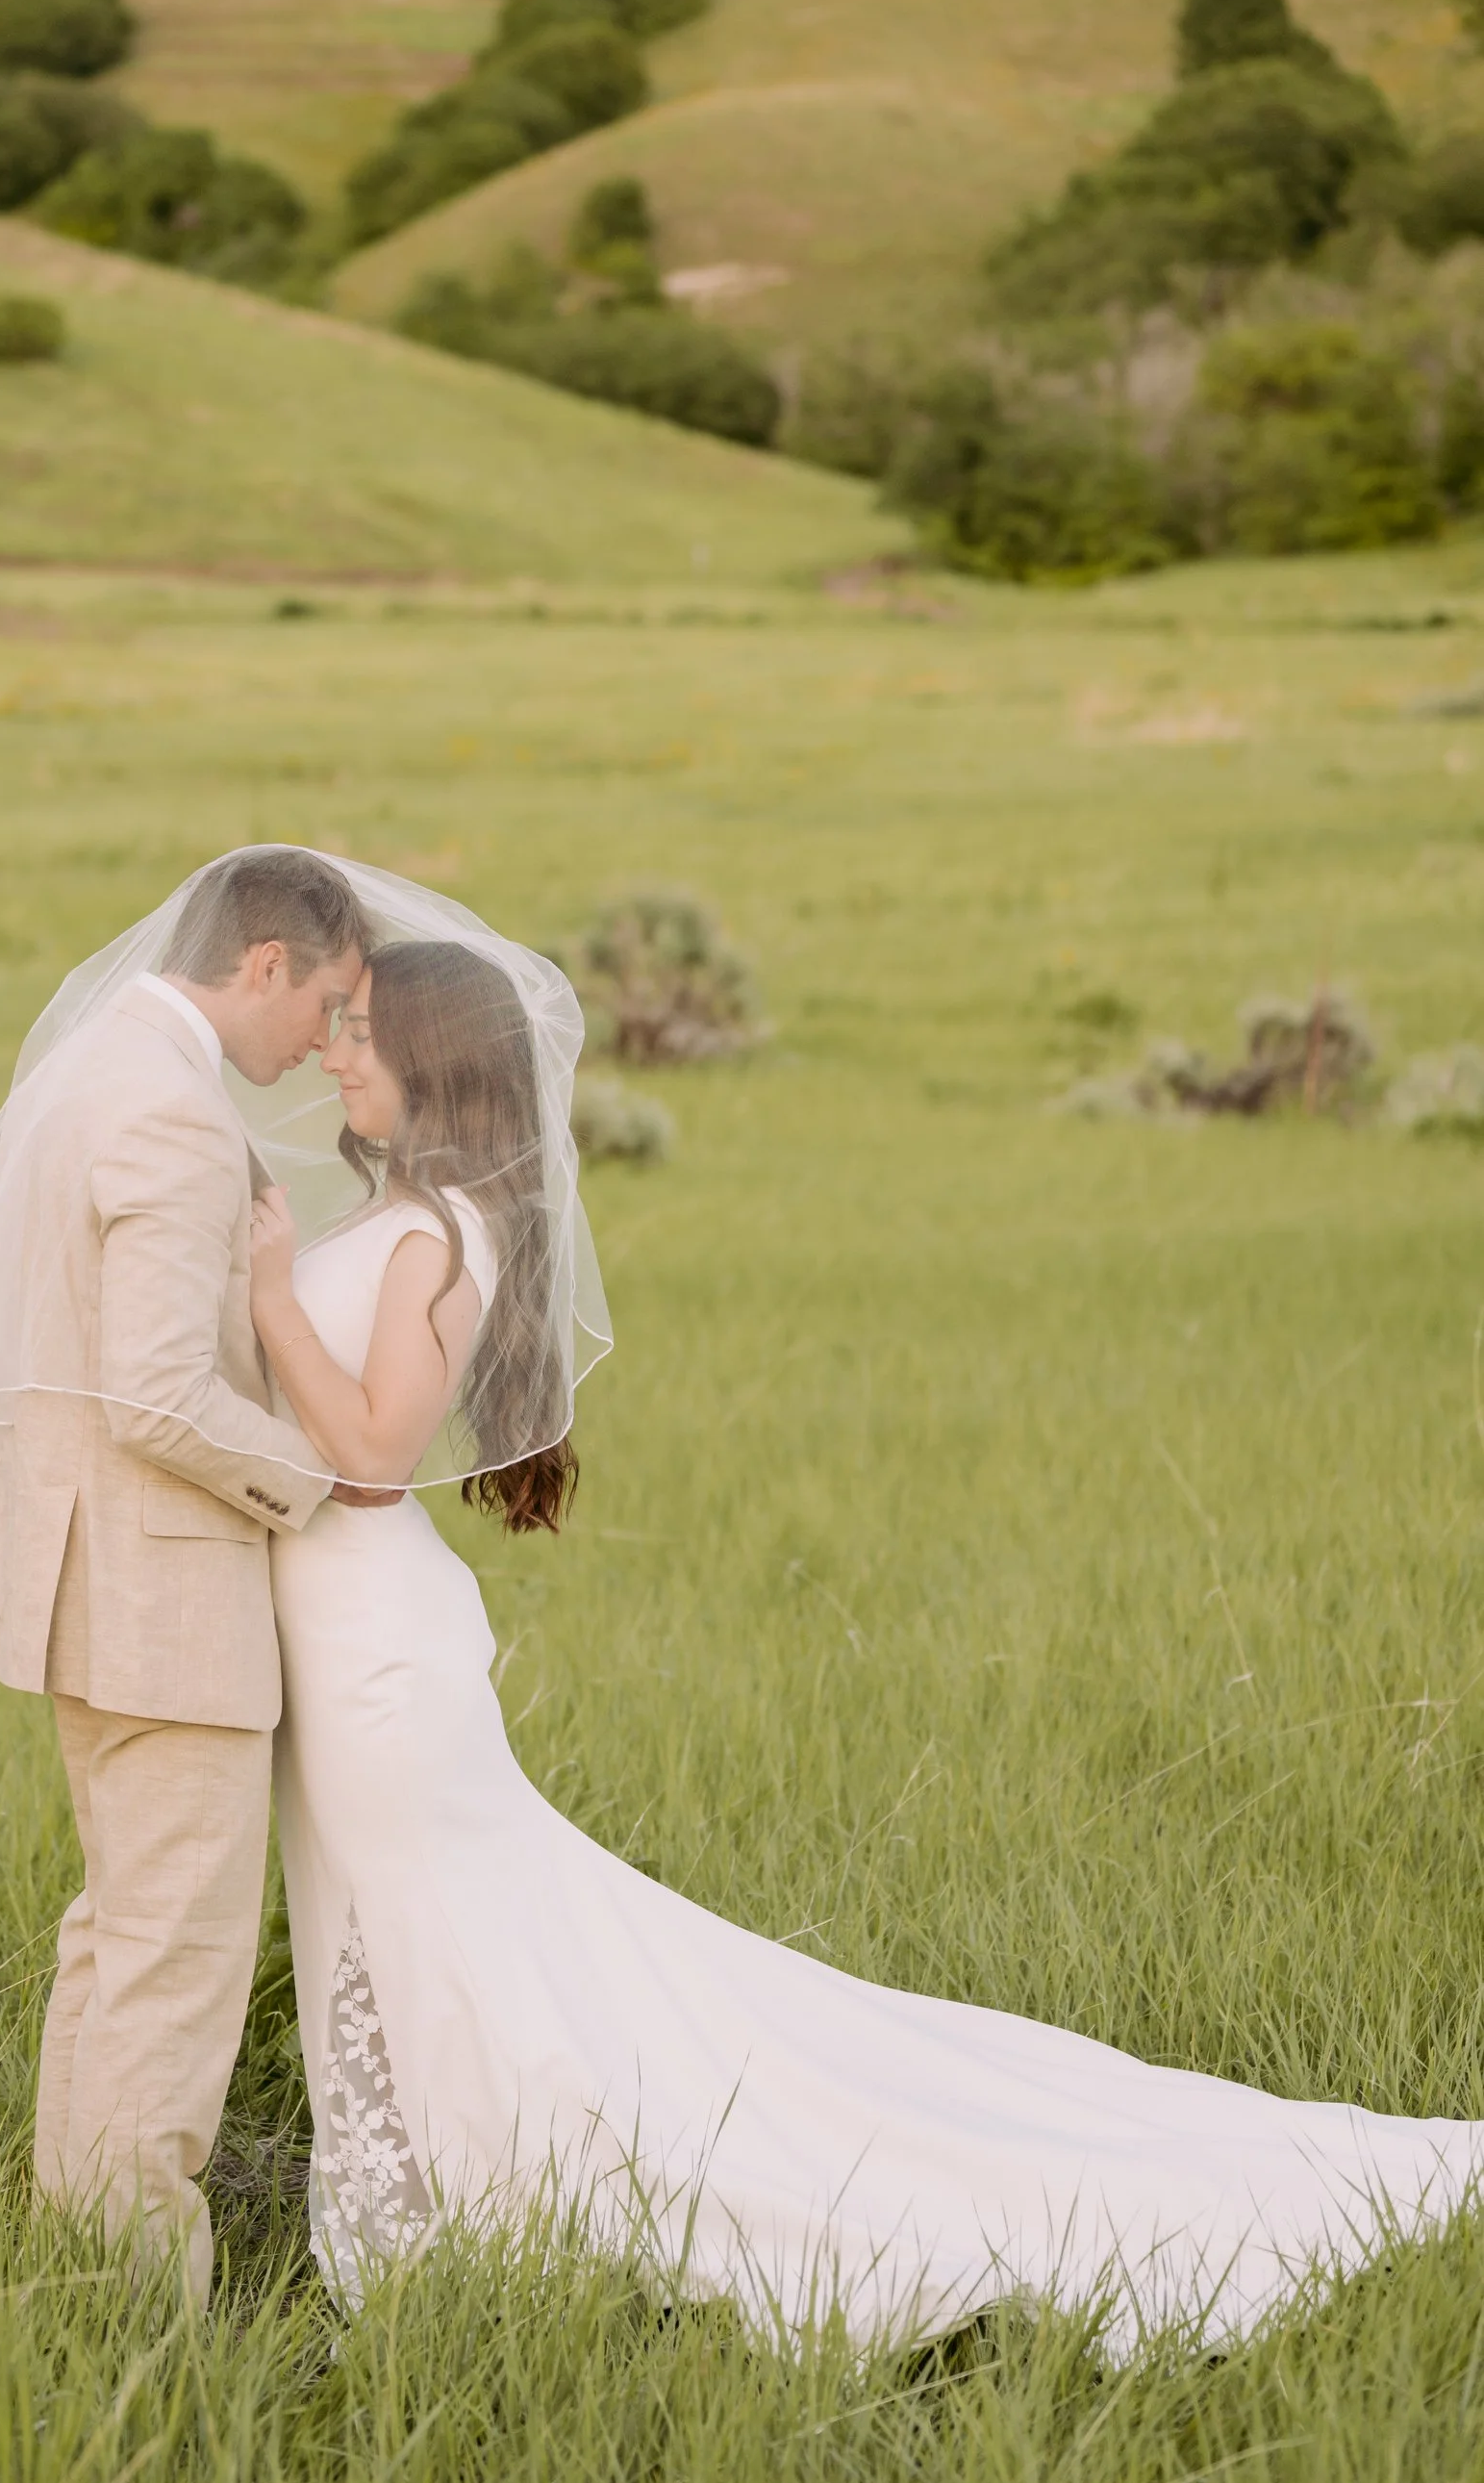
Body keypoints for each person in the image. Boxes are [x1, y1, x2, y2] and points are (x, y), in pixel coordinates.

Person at [244, 929, 1484, 2351]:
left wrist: (273, 1291)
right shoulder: (400, 1215)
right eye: (331, 1029)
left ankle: (473, 2217)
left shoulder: (433, 1233)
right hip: (345, 1641)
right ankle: (430, 2209)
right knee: (401, 1927)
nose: (336, 1053)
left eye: (361, 1033)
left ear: (434, 1060)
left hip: (377, 1656)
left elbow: (372, 1459)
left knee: (450, 1936)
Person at [0, 847, 367, 2308]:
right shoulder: (177, 1118)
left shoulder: (91, 1061)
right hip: (163, 1603)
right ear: (262, 964)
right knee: (174, 1964)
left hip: (81, 1584)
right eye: (321, 1001)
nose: (320, 1040)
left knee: (116, 1933)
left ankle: (68, 2267)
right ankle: (138, 2309)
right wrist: (324, 1483)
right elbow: (161, 1395)